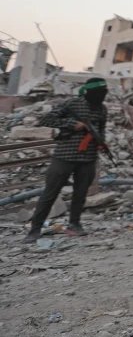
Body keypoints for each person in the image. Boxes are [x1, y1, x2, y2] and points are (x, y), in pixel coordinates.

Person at [22, 77, 110, 242]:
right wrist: (72, 124)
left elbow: (101, 128)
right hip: (64, 156)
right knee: (50, 193)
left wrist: (101, 142)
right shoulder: (72, 104)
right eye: (98, 92)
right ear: (89, 92)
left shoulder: (102, 109)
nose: (101, 96)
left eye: (104, 92)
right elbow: (46, 119)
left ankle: (74, 224)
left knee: (80, 194)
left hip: (88, 157)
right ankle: (35, 229)